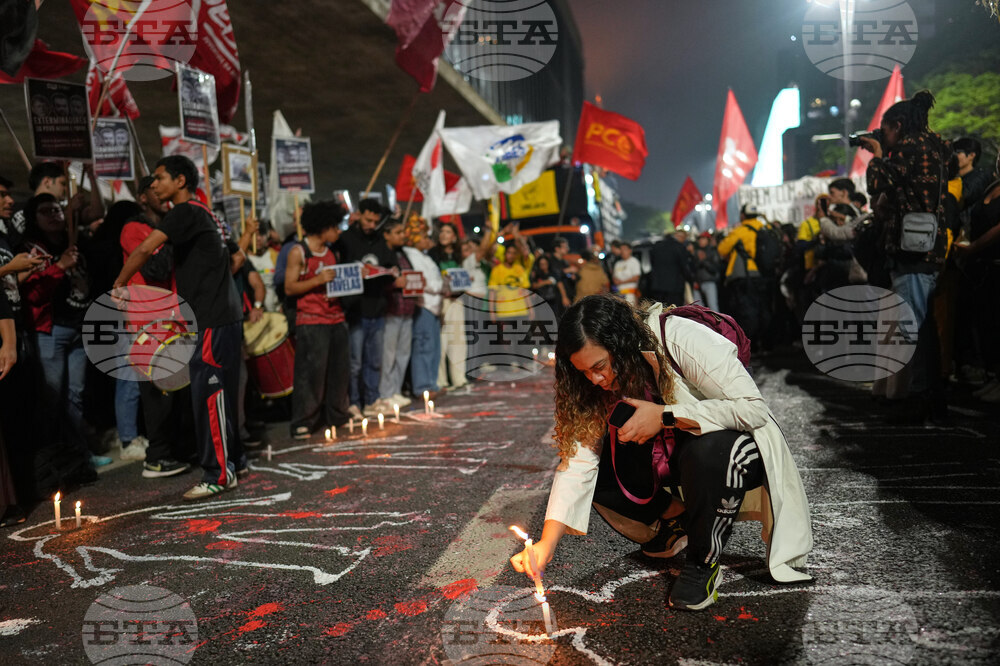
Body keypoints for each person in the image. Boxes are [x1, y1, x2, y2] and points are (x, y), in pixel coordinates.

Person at [509, 295, 812, 611]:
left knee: (708, 451)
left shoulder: (681, 337)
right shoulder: (596, 383)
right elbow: (579, 459)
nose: (595, 380)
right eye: (583, 372)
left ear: (621, 345)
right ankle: (673, 521)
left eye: (599, 367)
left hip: (729, 448)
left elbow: (754, 411)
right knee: (597, 467)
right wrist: (546, 543)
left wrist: (664, 415)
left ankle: (702, 562)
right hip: (672, 454)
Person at [114, 155, 246, 500]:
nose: (154, 185)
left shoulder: (185, 212)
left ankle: (218, 473)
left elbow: (145, 248)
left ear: (181, 181)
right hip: (226, 314)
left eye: (159, 178)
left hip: (210, 318)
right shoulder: (207, 214)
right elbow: (235, 259)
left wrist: (119, 283)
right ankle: (235, 460)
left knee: (210, 395)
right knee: (224, 394)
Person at [859, 91, 951, 414]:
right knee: (920, 323)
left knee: (911, 325)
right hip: (927, 246)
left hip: (913, 251)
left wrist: (879, 153)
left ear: (897, 126)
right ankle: (927, 392)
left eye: (885, 131)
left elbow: (876, 181)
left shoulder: (910, 147)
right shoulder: (936, 144)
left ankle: (920, 395)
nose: (884, 137)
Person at [20, 194, 102, 490]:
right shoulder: (31, 249)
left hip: (78, 328)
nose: (54, 214)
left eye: (57, 209)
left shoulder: (73, 239)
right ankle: (52, 462)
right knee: (52, 400)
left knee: (75, 396)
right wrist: (59, 267)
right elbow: (31, 294)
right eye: (46, 211)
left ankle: (79, 455)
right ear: (34, 217)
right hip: (50, 331)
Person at [284, 201, 352, 439]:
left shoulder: (333, 251)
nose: (339, 231)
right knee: (310, 373)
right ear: (323, 227)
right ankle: (303, 420)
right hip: (312, 320)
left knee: (339, 371)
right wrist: (317, 280)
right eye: (335, 227)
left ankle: (337, 414)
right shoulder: (298, 252)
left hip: (336, 317)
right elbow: (289, 287)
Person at [336, 199, 397, 419]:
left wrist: (393, 272)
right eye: (368, 219)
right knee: (355, 363)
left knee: (374, 360)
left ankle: (372, 400)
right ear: (359, 214)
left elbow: (391, 264)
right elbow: (336, 270)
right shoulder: (345, 240)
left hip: (377, 308)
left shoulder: (379, 239)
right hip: (355, 310)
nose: (371, 225)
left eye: (375, 221)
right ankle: (353, 402)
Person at [376, 216, 418, 415]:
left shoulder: (402, 253)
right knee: (388, 354)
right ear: (386, 234)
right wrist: (394, 285)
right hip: (390, 310)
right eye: (398, 232)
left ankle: (397, 389)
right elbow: (377, 282)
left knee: (403, 353)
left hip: (407, 310)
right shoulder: (383, 254)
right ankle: (386, 392)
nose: (403, 235)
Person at [403, 218, 445, 403]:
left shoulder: (425, 256)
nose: (427, 239)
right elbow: (423, 281)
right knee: (423, 346)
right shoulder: (410, 254)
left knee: (434, 347)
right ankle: (422, 387)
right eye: (423, 235)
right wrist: (439, 286)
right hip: (424, 305)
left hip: (435, 306)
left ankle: (431, 383)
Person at [647, 227, 692, 307]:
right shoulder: (680, 247)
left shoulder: (657, 245)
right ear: (681, 237)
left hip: (657, 285)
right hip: (674, 287)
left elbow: (652, 262)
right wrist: (690, 278)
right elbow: (684, 267)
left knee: (659, 312)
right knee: (673, 312)